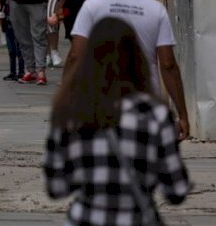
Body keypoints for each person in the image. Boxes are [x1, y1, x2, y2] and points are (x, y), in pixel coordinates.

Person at [44, 17, 189, 225]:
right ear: (136, 59)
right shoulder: (155, 115)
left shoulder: (69, 112)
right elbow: (177, 190)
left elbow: (56, 187)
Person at [65, 0, 191, 141]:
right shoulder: (156, 9)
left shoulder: (93, 5)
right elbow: (168, 64)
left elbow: (75, 56)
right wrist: (182, 115)